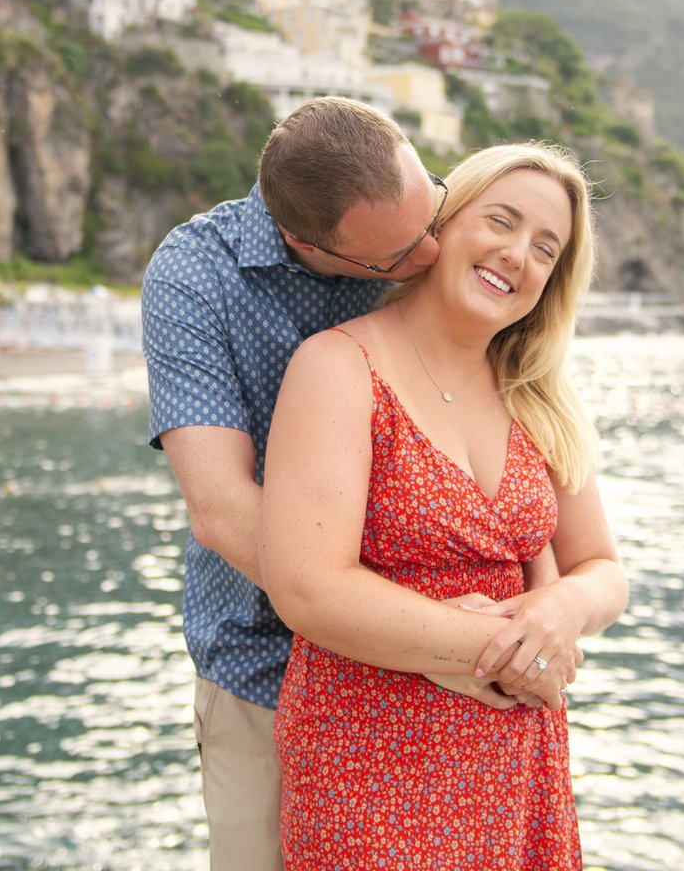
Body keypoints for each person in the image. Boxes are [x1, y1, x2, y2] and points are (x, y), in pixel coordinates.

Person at [259, 141, 628, 869]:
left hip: (518, 762)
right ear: (443, 222)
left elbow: (602, 568)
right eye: (501, 221)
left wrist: (561, 611)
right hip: (368, 764)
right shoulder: (339, 366)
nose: (517, 255)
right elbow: (308, 588)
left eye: (546, 249)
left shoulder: (539, 395)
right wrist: (505, 650)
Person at [139, 97, 451, 871]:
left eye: (434, 213)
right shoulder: (195, 275)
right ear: (304, 242)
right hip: (267, 669)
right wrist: (420, 629)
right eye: (397, 257)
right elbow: (220, 509)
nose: (435, 255)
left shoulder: (432, 233)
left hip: (446, 659)